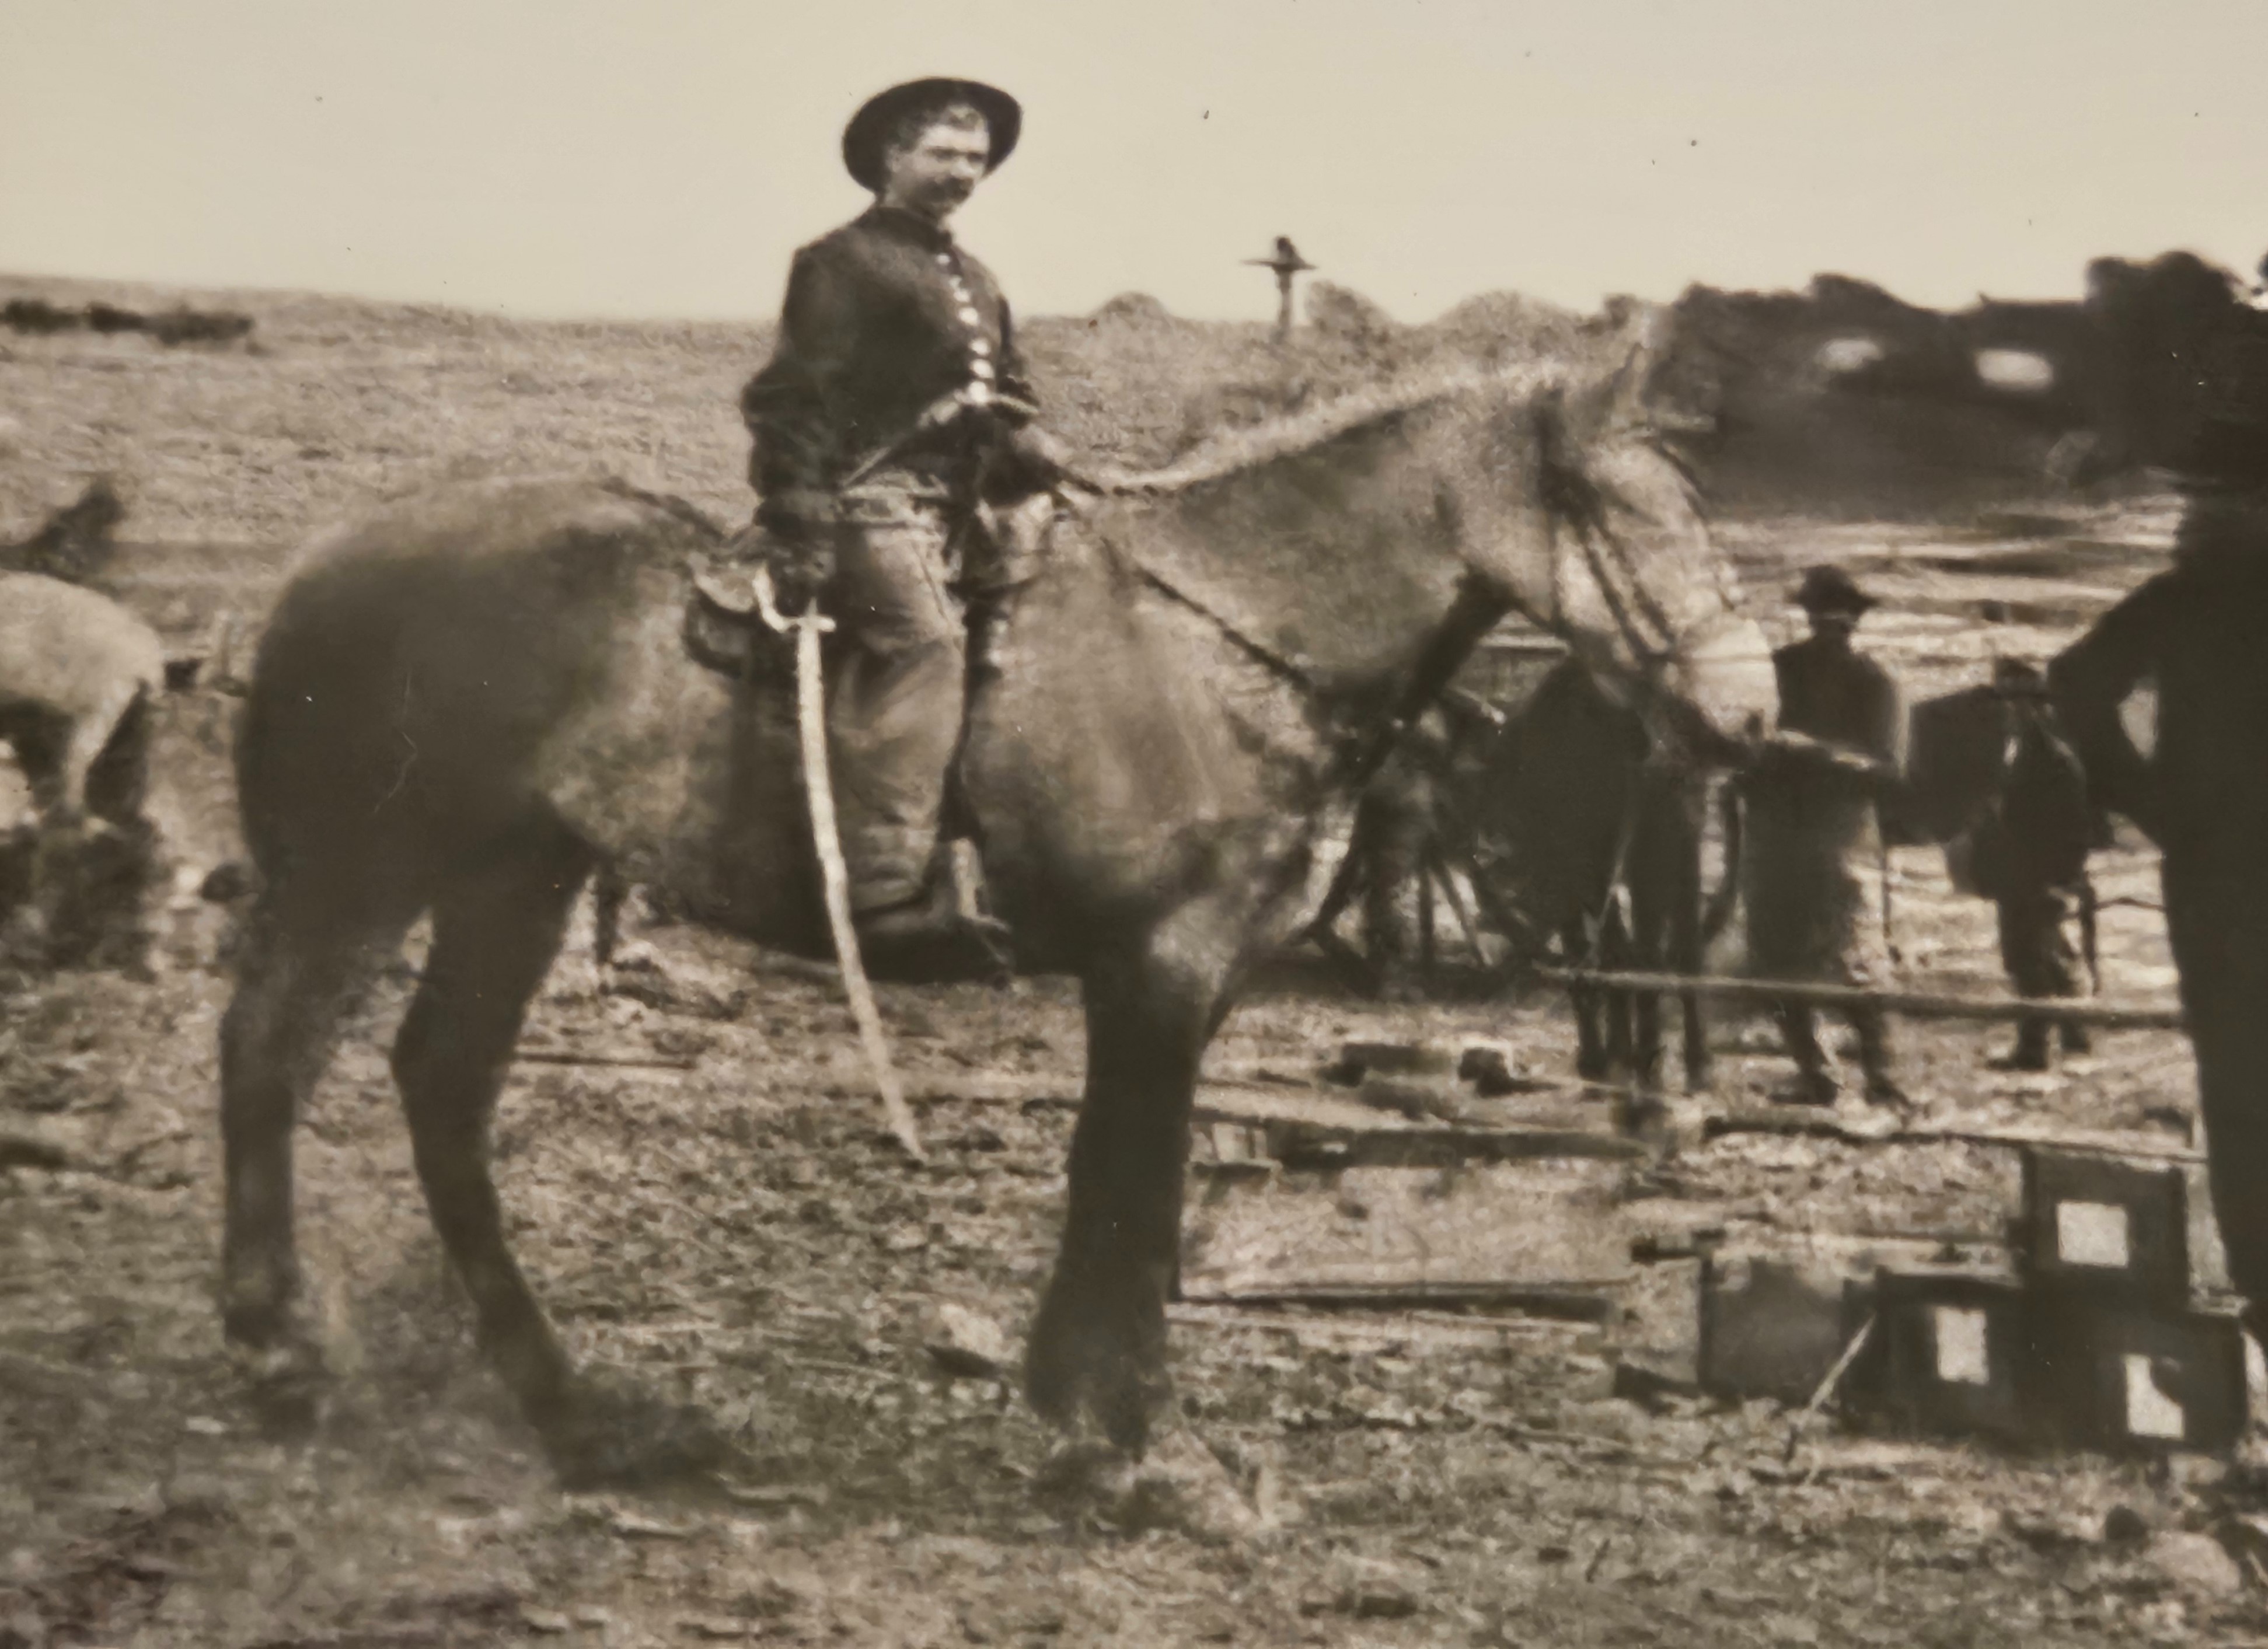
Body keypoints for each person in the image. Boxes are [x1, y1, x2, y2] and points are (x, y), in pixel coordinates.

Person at [735, 78, 1072, 981]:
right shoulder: (841, 262)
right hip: (865, 500)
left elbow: (1011, 391)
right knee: (924, 645)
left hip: (961, 509)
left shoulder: (978, 278)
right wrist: (800, 515)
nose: (964, 173)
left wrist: (1024, 438)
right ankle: (882, 893)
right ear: (892, 157)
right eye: (944, 155)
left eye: (975, 159)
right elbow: (791, 398)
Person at [1740, 565, 1907, 1105]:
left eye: (1840, 622)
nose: (1830, 631)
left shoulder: (1877, 683)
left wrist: (1809, 750)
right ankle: (1819, 1076)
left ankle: (1886, 1081)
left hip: (1842, 837)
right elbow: (1747, 737)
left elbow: (1889, 768)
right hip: (1778, 835)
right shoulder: (1776, 672)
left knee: (1858, 961)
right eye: (1821, 619)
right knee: (1775, 958)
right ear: (1808, 619)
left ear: (1855, 624)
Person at [1949, 658, 2097, 1071]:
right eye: (2006, 703)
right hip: (2017, 875)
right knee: (2047, 957)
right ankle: (2076, 1036)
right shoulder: (2014, 753)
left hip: (2039, 877)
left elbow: (2075, 829)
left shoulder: (2053, 759)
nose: (2011, 711)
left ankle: (2034, 1051)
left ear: (2037, 707)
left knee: (2026, 959)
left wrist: (2062, 880)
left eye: (2019, 703)